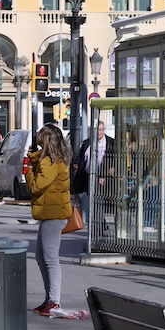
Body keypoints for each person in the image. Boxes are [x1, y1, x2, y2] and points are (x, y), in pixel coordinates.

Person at [26, 123, 71, 317]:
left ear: (45, 141)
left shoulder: (50, 162)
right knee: (41, 257)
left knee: (50, 258)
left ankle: (54, 300)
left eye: (39, 138)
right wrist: (34, 158)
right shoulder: (52, 160)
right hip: (51, 213)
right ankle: (49, 299)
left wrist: (28, 171)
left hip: (53, 214)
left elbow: (37, 186)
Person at [72, 121, 115, 222]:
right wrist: (76, 163)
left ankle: (99, 223)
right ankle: (99, 222)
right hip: (88, 176)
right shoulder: (87, 142)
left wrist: (105, 175)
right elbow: (81, 156)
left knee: (98, 200)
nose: (99, 132)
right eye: (96, 130)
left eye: (100, 130)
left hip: (103, 177)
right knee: (92, 200)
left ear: (104, 130)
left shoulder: (111, 143)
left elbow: (112, 160)